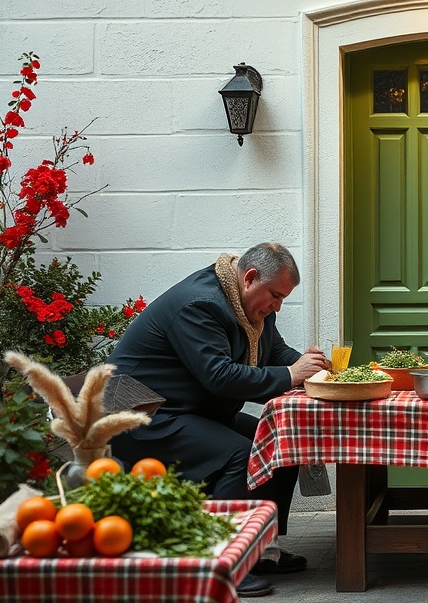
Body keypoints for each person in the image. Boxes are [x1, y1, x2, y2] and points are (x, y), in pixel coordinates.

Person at [109, 242, 331, 598]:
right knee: (240, 455)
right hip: (143, 416)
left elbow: (275, 352)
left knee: (278, 442)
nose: (278, 306)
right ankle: (224, 563)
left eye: (283, 298)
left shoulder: (251, 306)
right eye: (275, 296)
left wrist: (314, 370)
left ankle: (262, 550)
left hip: (186, 409)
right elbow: (220, 377)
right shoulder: (200, 305)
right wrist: (292, 374)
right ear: (250, 277)